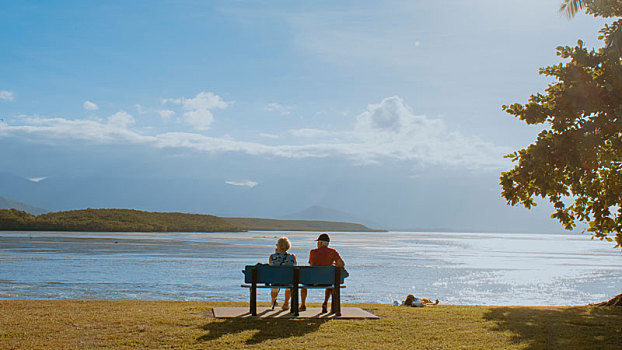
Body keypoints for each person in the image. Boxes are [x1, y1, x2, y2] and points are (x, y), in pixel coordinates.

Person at [300, 233, 345, 313]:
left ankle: (303, 304)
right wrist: (333, 264)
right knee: (330, 282)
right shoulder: (333, 252)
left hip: (312, 281)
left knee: (303, 284)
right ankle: (325, 302)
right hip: (326, 281)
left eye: (318, 242)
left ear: (320, 243)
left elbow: (311, 263)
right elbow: (342, 264)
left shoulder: (312, 252)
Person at [269, 237, 297, 310]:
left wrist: (276, 254)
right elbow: (295, 267)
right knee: (289, 287)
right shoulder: (292, 257)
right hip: (288, 281)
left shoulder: (272, 257)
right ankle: (286, 303)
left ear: (278, 246)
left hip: (275, 281)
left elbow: (271, 268)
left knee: (274, 287)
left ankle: (273, 300)